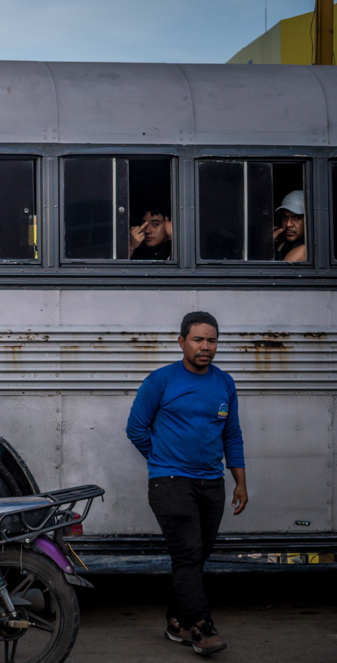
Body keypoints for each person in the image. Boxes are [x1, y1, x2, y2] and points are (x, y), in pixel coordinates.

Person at [126, 311, 247, 656]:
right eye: (198, 339)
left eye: (211, 340)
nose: (205, 346)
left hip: (211, 483)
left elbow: (232, 434)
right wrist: (162, 459)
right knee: (188, 553)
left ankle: (176, 621)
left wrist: (240, 481)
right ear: (181, 342)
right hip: (170, 482)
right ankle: (201, 626)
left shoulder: (224, 382)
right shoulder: (161, 381)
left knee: (198, 555)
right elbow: (136, 428)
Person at [273, 190, 307, 262]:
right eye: (285, 217)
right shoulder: (283, 245)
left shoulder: (303, 250)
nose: (288, 224)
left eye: (297, 218)